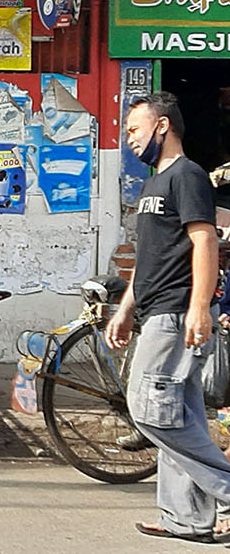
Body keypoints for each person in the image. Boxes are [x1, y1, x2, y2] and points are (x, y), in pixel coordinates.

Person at [105, 92, 228, 543]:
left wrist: (199, 306)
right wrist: (126, 309)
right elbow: (149, 258)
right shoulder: (154, 183)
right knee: (177, 415)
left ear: (162, 126)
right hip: (155, 310)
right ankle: (186, 519)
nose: (130, 139)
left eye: (135, 129)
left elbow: (205, 241)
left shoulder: (187, 175)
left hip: (177, 313)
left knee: (150, 412)